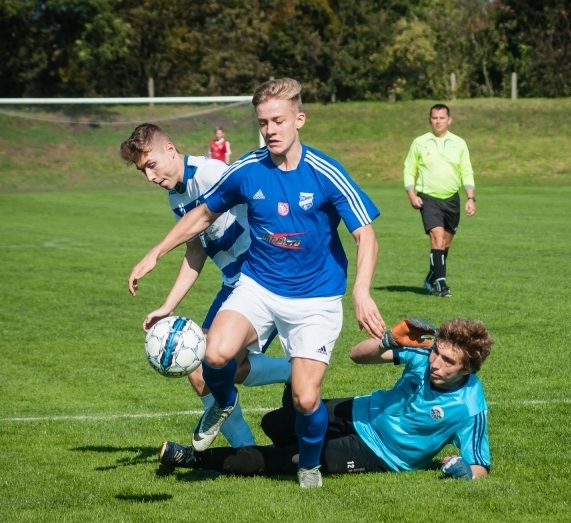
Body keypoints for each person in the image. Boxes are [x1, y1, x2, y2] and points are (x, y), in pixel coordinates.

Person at [128, 78, 385, 488]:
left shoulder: (325, 172)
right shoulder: (246, 170)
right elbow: (203, 216)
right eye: (263, 122)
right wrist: (156, 253)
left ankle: (309, 465)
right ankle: (222, 406)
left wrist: (361, 290)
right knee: (214, 354)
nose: (271, 130)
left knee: (304, 398)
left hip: (316, 299)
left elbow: (365, 235)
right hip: (258, 287)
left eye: (279, 120)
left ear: (298, 119)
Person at [119, 123, 291, 448]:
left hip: (262, 279)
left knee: (220, 365)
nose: (150, 177)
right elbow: (195, 250)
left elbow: (249, 210)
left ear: (170, 149)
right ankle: (247, 454)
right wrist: (168, 307)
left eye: (151, 165)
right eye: (143, 171)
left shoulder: (211, 173)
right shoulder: (176, 196)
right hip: (233, 284)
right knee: (200, 377)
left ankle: (298, 371)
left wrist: (155, 253)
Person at [157, 317, 494, 482]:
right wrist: (388, 339)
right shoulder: (423, 356)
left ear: (468, 369)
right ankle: (293, 379)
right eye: (437, 353)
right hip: (361, 411)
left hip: (383, 452)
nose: (435, 363)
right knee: (274, 423)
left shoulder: (469, 406)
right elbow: (356, 355)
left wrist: (465, 471)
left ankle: (194, 459)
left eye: (448, 362)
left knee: (292, 460)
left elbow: (480, 464)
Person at [403, 104, 476, 298]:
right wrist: (411, 194)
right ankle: (441, 284)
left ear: (449, 120)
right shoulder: (420, 142)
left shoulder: (459, 143)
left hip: (452, 199)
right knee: (437, 237)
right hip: (428, 198)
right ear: (430, 120)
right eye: (434, 118)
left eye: (442, 118)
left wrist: (470, 197)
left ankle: (431, 276)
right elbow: (409, 169)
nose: (438, 121)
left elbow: (466, 171)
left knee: (445, 244)